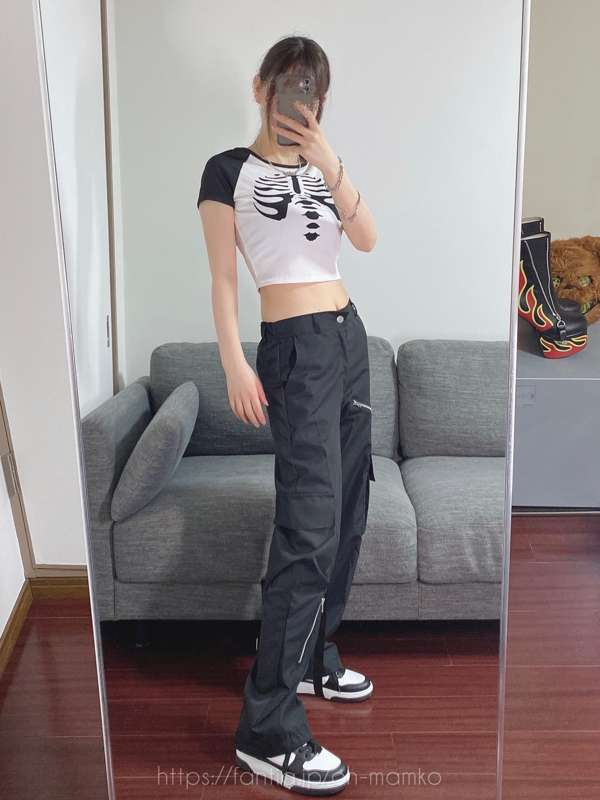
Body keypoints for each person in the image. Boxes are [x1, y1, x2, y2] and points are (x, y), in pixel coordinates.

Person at [196, 35, 377, 796]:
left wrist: (329, 157)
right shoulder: (227, 171)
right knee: (308, 525)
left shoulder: (322, 166)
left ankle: (312, 659)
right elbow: (224, 278)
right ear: (261, 87)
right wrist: (234, 363)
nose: (298, 103)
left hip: (348, 337)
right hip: (294, 349)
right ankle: (266, 729)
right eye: (288, 87)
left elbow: (366, 238)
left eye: (313, 93)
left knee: (349, 508)